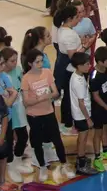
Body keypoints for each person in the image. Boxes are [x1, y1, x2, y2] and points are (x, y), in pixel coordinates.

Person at [21, 48, 72, 182]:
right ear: (30, 64)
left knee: (57, 139)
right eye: (37, 62)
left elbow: (55, 92)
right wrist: (42, 98)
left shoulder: (47, 73)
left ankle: (64, 163)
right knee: (37, 142)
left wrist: (46, 96)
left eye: (41, 61)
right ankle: (42, 166)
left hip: (49, 112)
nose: (40, 64)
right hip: (34, 116)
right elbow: (26, 102)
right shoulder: (26, 78)